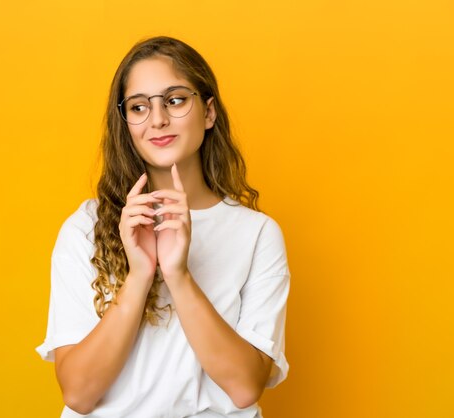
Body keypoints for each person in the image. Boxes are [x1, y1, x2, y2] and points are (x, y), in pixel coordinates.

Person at [36, 36, 290, 418]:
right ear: (126, 123)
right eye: (139, 107)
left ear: (208, 112)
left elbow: (244, 387)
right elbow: (78, 392)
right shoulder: (86, 228)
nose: (157, 120)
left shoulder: (257, 234)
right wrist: (140, 275)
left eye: (174, 100)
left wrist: (178, 274)